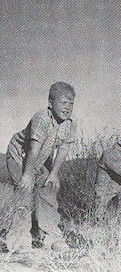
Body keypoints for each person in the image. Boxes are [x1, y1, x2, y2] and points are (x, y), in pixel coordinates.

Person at [2, 81, 77, 253]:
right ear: (50, 103)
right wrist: (27, 175)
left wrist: (54, 174)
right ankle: (19, 239)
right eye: (63, 102)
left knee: (48, 188)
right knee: (24, 190)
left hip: (41, 158)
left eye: (71, 103)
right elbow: (32, 149)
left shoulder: (71, 123)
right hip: (20, 155)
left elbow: (64, 150)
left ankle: (52, 237)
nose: (68, 107)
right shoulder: (41, 117)